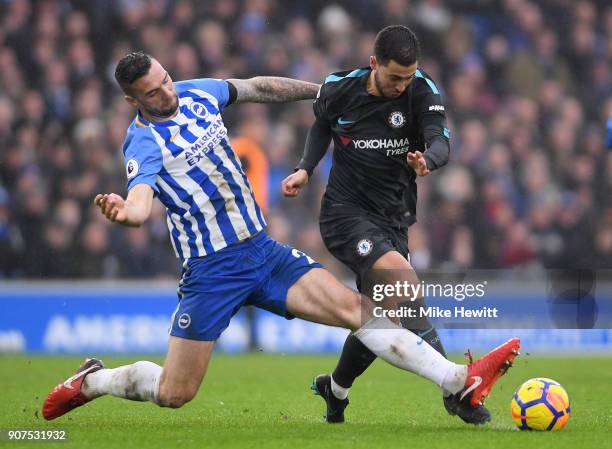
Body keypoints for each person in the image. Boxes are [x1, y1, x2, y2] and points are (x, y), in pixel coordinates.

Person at [42, 51, 519, 421]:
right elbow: (141, 201)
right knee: (174, 394)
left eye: (165, 79)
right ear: (133, 100)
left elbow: (258, 87)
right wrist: (125, 213)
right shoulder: (142, 141)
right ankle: (94, 381)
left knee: (361, 312)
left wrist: (328, 93)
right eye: (152, 91)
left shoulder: (196, 92)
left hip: (262, 252)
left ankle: (456, 378)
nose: (166, 92)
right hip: (211, 271)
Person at [282, 25, 491, 424]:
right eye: (395, 76)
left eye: (408, 76)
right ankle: (455, 390)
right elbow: (322, 124)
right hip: (345, 214)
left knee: (386, 314)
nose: (402, 85)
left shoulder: (422, 90)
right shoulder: (339, 87)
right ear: (374, 63)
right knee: (404, 282)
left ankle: (335, 388)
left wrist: (427, 159)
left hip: (393, 219)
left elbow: (441, 141)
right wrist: (306, 169)